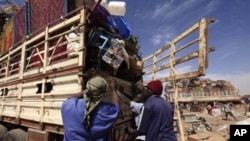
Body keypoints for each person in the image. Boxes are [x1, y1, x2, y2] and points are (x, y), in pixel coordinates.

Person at [61, 76, 120, 141]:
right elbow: (116, 107)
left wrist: (86, 90)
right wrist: (114, 90)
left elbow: (71, 98)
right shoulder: (106, 111)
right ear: (102, 94)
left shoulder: (68, 105)